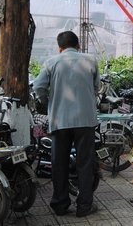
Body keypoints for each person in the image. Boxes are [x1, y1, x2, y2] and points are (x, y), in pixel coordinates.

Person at [33, 31, 99, 217]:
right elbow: (96, 87)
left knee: (59, 163)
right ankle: (84, 206)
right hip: (85, 120)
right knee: (85, 163)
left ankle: (60, 205)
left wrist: (48, 103)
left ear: (59, 48)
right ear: (78, 45)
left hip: (59, 120)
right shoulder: (90, 60)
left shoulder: (51, 62)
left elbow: (38, 87)